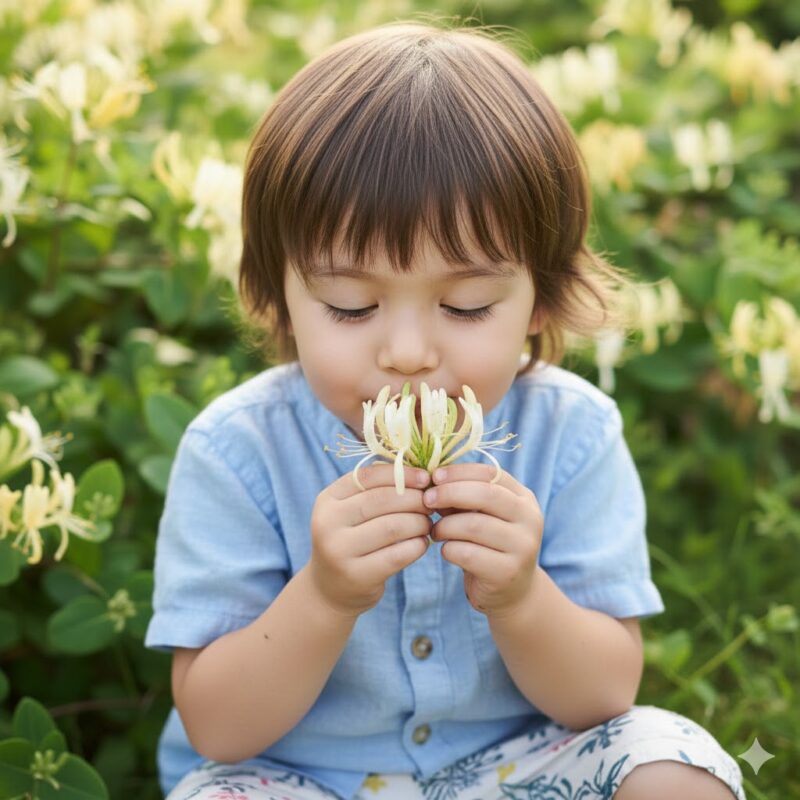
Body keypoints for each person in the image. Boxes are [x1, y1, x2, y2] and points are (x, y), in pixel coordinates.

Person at [144, 21, 746, 800]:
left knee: (675, 773)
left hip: (514, 770)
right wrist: (323, 597)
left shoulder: (571, 434)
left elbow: (603, 697)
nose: (406, 352)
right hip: (298, 780)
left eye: (465, 306)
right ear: (280, 300)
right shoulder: (238, 450)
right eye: (350, 305)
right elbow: (218, 728)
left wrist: (524, 597)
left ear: (541, 299)